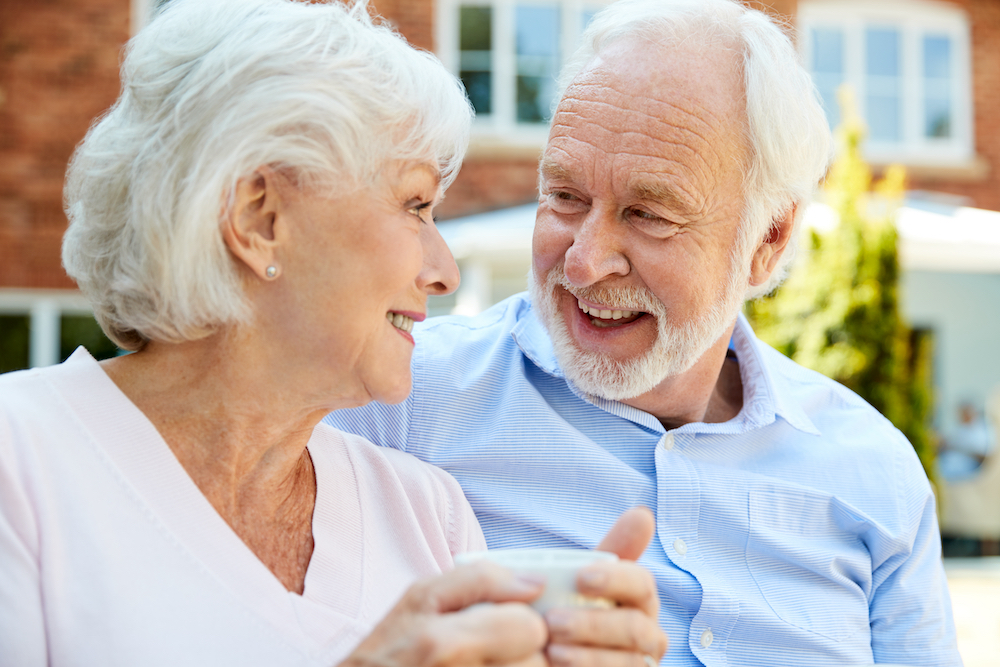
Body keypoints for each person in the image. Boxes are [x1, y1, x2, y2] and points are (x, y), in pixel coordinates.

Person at [0, 0, 667, 665]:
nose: (443, 273)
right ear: (259, 218)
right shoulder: (21, 460)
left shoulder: (426, 512)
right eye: (414, 206)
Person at [326, 0, 963, 664]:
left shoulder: (874, 474)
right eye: (565, 197)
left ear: (767, 241)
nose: (583, 261)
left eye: (647, 213)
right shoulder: (394, 398)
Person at [938, 401, 996, 481]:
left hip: (968, 466)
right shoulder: (962, 428)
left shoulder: (981, 429)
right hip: (952, 459)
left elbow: (984, 452)